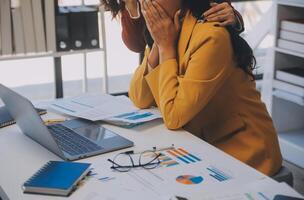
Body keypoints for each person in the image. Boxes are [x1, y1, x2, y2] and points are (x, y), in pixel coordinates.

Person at [127, 0, 282, 176]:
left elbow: (173, 116)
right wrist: (158, 45)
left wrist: (165, 47)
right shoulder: (168, 29)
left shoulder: (210, 36)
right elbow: (139, 97)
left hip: (244, 150)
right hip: (201, 141)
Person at [101, 0, 244, 53]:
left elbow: (219, 8)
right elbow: (136, 45)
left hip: (195, 49)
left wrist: (234, 18)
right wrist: (131, 5)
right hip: (166, 60)